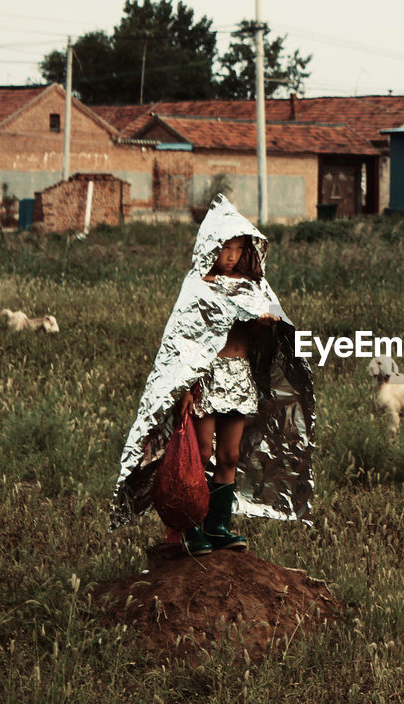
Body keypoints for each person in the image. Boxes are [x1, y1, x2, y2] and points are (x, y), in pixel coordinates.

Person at [110, 196, 316, 554]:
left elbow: (268, 337)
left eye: (238, 248)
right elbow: (186, 345)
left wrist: (265, 324)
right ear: (211, 247)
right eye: (226, 248)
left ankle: (218, 526)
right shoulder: (198, 286)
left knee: (230, 455)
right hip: (208, 377)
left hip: (239, 377)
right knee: (201, 453)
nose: (232, 256)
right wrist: (189, 387)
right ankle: (192, 527)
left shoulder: (255, 287)